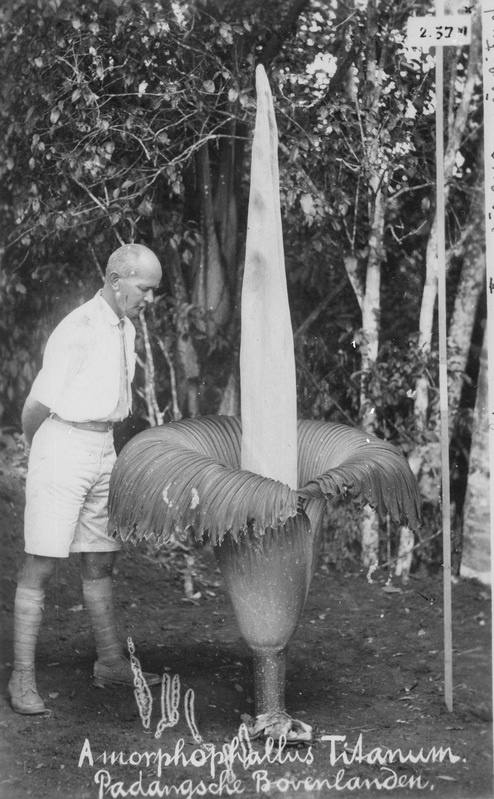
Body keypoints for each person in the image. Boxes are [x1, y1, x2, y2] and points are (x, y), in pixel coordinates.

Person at [8, 243, 163, 715]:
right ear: (117, 281)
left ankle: (111, 663)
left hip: (103, 448)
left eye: (153, 291)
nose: (149, 299)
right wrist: (44, 454)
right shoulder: (76, 328)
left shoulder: (127, 329)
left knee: (100, 559)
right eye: (144, 289)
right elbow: (36, 405)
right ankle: (21, 679)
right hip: (63, 444)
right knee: (43, 562)